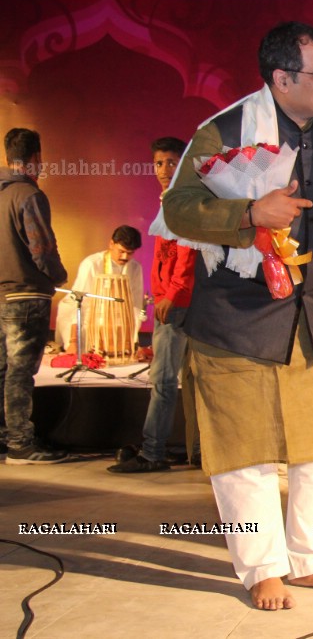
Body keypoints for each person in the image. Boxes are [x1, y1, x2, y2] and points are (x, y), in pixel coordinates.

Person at [162, 21, 313, 610]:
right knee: (245, 454)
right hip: (237, 320)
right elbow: (178, 209)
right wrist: (249, 212)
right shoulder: (225, 131)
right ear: (281, 79)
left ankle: (311, 561)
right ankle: (261, 568)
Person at [109, 137, 200, 473]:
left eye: (172, 162)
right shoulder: (172, 199)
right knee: (190, 380)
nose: (164, 169)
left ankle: (153, 452)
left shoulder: (184, 198)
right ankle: (195, 451)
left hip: (176, 302)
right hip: (174, 299)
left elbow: (188, 251)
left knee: (163, 380)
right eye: (159, 163)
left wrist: (171, 294)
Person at [1, 128, 69, 464]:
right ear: (36, 158)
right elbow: (41, 249)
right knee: (20, 372)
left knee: (3, 370)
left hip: (1, 294)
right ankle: (20, 444)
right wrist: (59, 275)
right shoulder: (28, 195)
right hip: (26, 295)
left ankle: (4, 439)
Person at [55, 225, 145, 353]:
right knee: (83, 346)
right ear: (111, 244)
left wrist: (133, 340)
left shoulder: (135, 268)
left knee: (121, 349)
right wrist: (73, 341)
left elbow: (134, 305)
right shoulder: (92, 263)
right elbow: (78, 302)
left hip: (115, 315)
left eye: (130, 253)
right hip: (84, 312)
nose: (125, 257)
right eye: (121, 251)